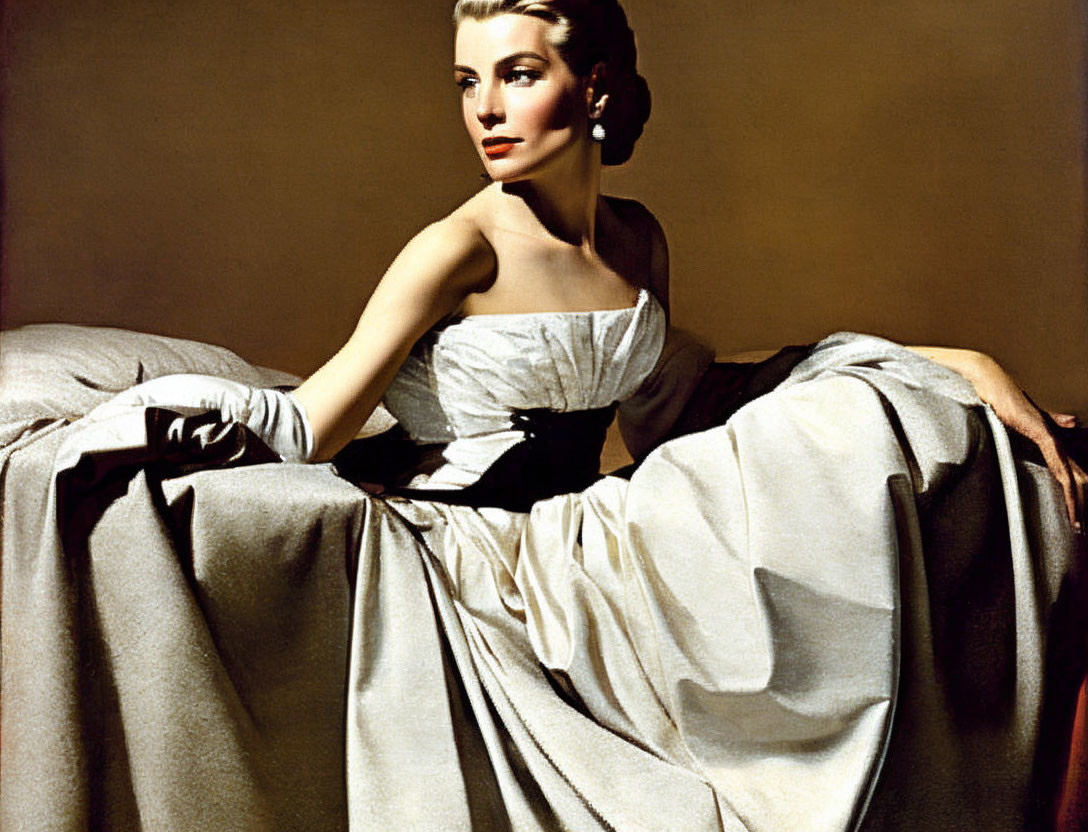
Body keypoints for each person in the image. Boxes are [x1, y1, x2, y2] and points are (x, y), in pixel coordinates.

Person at [81, 0, 1087, 827]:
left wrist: (938, 363)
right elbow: (311, 425)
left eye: (515, 74)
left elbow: (666, 409)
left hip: (579, 555)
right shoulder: (456, 248)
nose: (484, 110)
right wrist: (143, 422)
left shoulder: (636, 240)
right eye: (467, 83)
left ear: (593, 84)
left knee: (866, 445)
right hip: (453, 562)